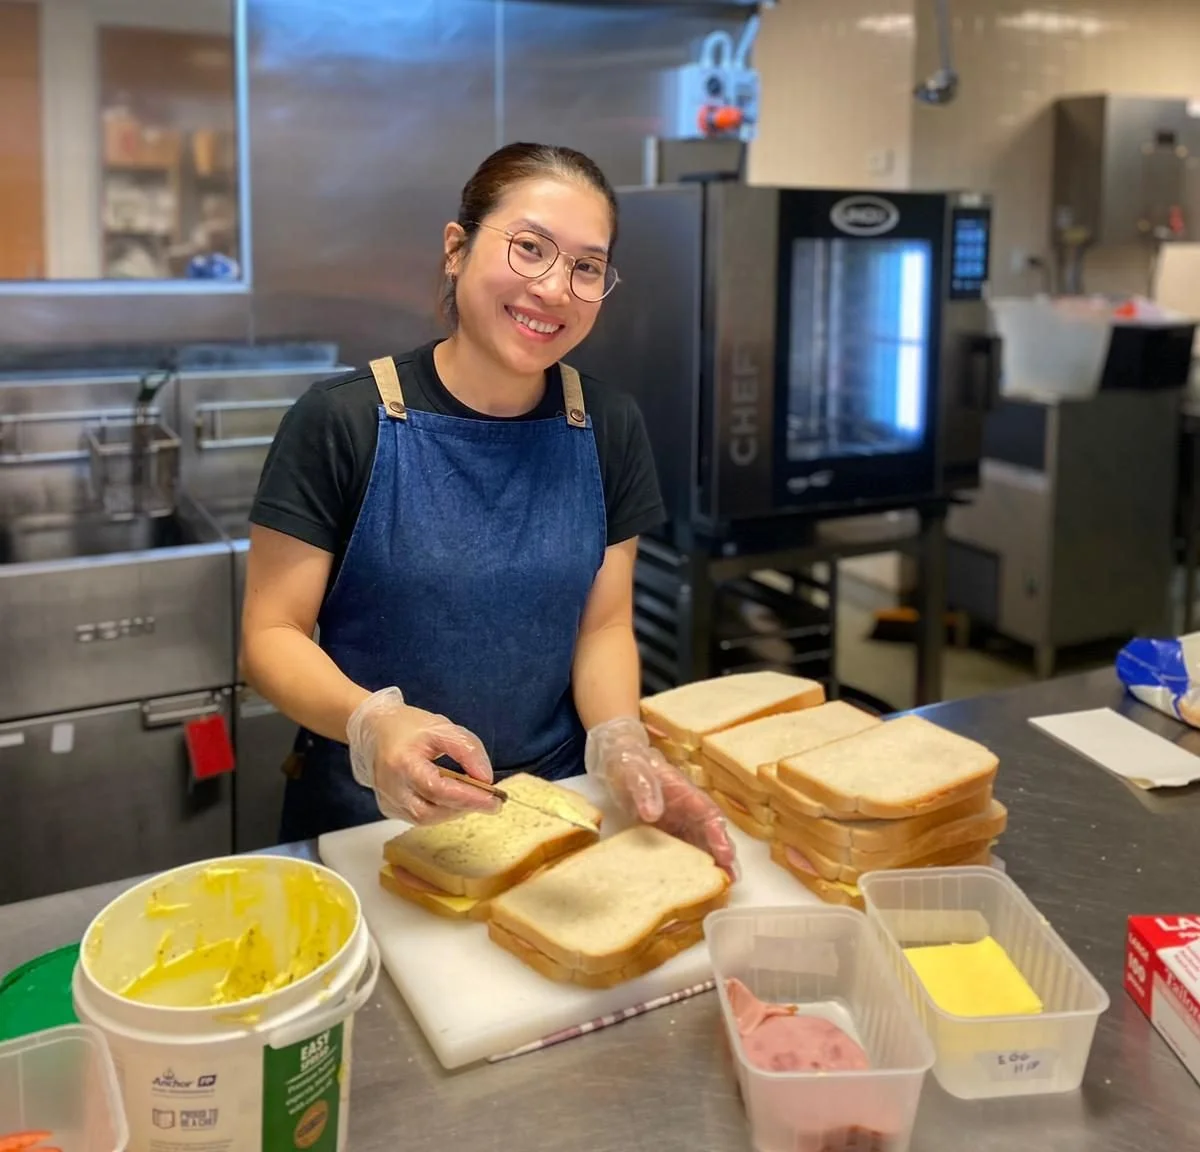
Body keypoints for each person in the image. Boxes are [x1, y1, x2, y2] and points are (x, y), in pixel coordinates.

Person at [240, 141, 736, 878]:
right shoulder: (343, 421)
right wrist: (374, 724)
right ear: (456, 248)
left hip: (553, 809)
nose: (555, 288)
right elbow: (271, 636)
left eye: (586, 266)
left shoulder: (608, 425)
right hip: (369, 825)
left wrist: (620, 740)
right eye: (530, 248)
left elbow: (602, 628)